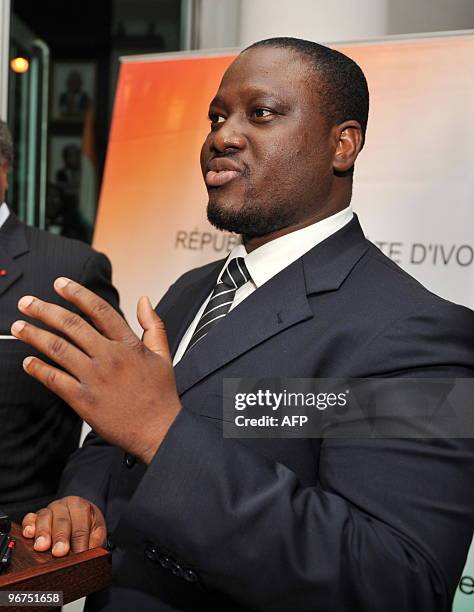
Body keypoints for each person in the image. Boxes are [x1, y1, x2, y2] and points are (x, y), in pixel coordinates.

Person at [12, 39, 474, 612]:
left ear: (344, 144)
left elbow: (393, 580)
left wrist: (165, 433)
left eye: (261, 113)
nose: (221, 136)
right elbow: (114, 437)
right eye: (216, 116)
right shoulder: (190, 290)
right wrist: (83, 498)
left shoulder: (415, 334)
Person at [0, 119, 120, 523]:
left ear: (3, 169)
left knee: (28, 596)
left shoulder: (71, 270)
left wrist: (80, 496)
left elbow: (122, 407)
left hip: (23, 535)